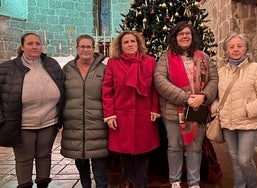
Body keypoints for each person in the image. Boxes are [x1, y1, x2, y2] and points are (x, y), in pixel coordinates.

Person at [154, 21, 219, 188]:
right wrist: (185, 98)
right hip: (173, 111)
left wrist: (203, 97)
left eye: (187, 33)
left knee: (195, 148)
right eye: (180, 34)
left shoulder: (204, 57)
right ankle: (175, 181)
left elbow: (214, 79)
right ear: (175, 38)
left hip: (198, 110)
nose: (184, 36)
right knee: (174, 147)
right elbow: (160, 81)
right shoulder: (165, 58)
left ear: (192, 37)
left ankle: (194, 183)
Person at [0, 33, 64, 188]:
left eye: (38, 43)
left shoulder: (51, 64)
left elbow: (63, 87)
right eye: (30, 44)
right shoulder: (7, 68)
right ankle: (24, 185)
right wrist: (2, 120)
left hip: (49, 121)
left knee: (44, 156)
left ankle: (43, 185)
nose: (35, 47)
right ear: (22, 47)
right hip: (21, 123)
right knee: (24, 159)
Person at [102, 30, 160, 188]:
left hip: (144, 115)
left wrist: (155, 109)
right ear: (120, 46)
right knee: (124, 152)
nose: (130, 44)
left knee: (143, 152)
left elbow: (155, 88)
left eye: (132, 41)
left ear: (138, 43)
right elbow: (107, 90)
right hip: (121, 116)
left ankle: (141, 182)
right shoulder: (114, 63)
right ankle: (128, 180)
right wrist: (110, 115)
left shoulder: (149, 61)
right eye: (126, 42)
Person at [212, 32, 257, 188]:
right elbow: (215, 96)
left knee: (244, 160)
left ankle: (253, 185)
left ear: (246, 48)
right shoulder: (221, 71)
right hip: (228, 122)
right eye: (231, 47)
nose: (235, 49)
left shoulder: (256, 68)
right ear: (226, 50)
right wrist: (217, 108)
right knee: (235, 160)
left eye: (239, 46)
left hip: (248, 121)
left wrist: (247, 110)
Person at [60, 34, 109, 188]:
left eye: (89, 46)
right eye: (82, 46)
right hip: (74, 123)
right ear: (77, 48)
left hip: (97, 122)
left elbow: (109, 94)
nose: (86, 49)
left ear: (93, 48)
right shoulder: (67, 68)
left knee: (100, 167)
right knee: (81, 164)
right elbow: (60, 94)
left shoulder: (103, 69)